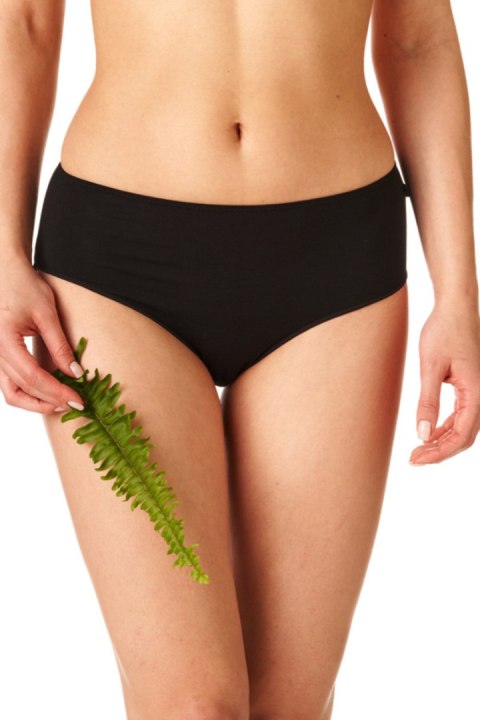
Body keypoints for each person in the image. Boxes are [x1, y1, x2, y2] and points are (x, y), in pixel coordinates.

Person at [1, 2, 479, 718]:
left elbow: (417, 41)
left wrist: (459, 297)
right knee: (190, 704)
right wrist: (1, 251)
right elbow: (25, 22)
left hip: (337, 266)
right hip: (117, 264)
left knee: (288, 707)